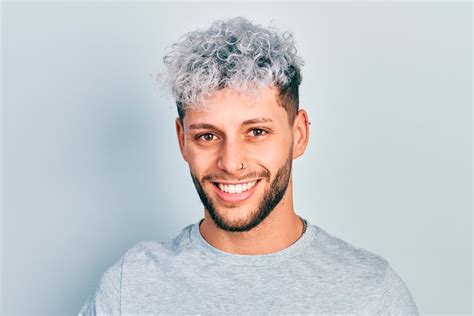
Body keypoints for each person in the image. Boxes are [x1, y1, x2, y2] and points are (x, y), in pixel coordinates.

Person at [80, 16, 418, 314]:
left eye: (256, 132)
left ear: (298, 134)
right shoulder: (132, 288)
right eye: (207, 136)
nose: (231, 162)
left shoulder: (369, 294)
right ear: (182, 139)